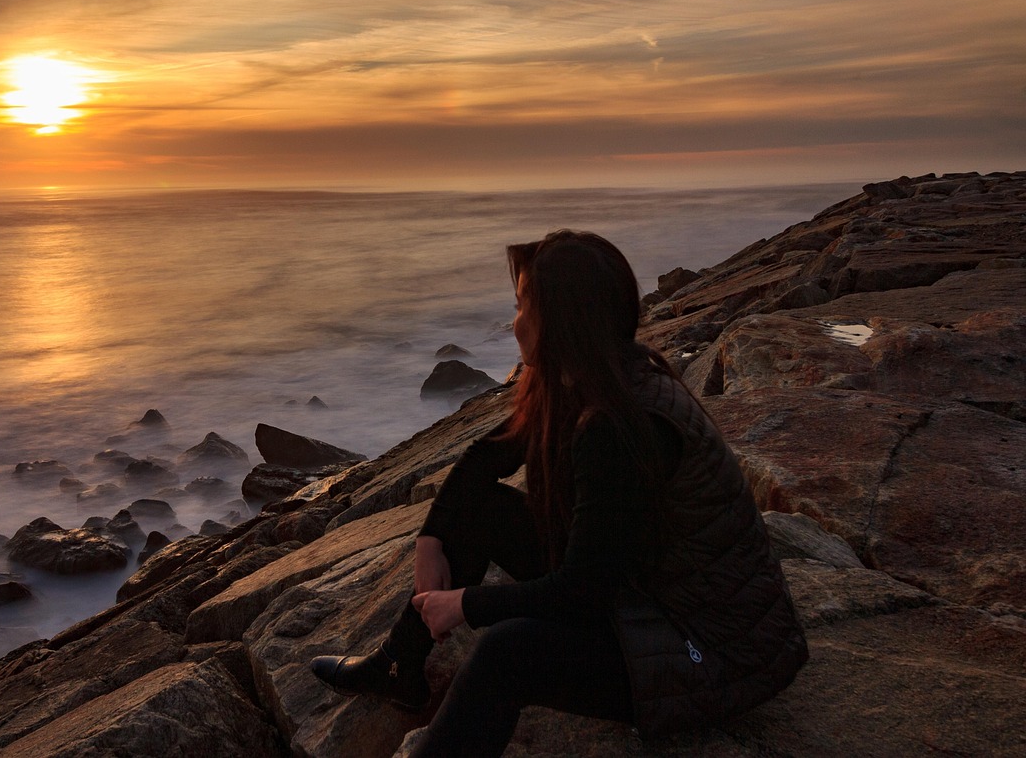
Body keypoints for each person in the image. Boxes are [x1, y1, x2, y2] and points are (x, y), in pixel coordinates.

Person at [310, 230, 808, 756]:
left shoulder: (616, 425)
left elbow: (582, 590)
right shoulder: (597, 376)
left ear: (563, 321)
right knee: (477, 508)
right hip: (648, 597)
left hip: (709, 655)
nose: (514, 321)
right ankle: (398, 665)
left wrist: (466, 604)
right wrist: (430, 538)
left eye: (523, 306)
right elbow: (487, 457)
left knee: (506, 653)